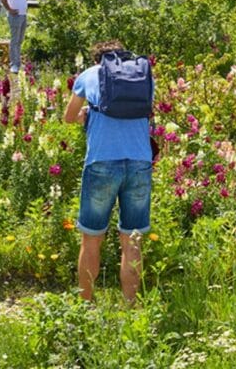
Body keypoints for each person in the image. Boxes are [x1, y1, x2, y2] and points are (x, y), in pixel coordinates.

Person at [64, 40, 153, 304]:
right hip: (139, 162)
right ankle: (131, 306)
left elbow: (69, 117)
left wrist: (84, 115)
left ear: (98, 59)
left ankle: (86, 307)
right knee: (132, 240)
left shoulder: (89, 75)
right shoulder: (143, 76)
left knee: (91, 240)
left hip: (102, 163)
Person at [0, 0, 29, 74]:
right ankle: (14, 64)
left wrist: (23, 3)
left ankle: (18, 62)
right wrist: (9, 9)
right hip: (15, 16)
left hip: (23, 14)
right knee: (14, 40)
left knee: (20, 40)